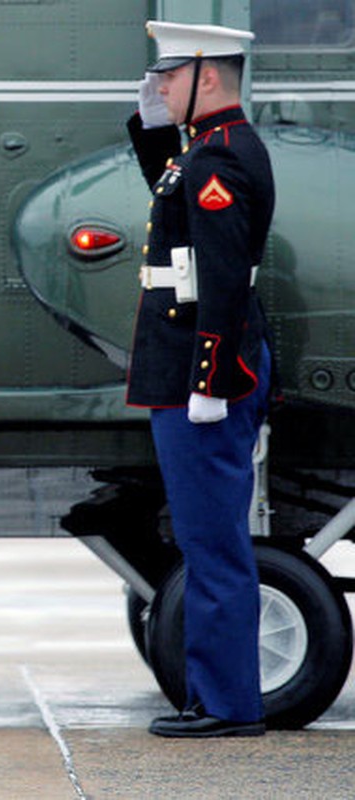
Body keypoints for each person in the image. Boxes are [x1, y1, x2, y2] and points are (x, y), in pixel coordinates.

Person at [127, 21, 274, 738]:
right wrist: (147, 124)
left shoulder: (221, 159)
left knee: (212, 541)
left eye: (167, 77)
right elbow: (169, 194)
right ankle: (214, 696)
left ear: (204, 76)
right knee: (203, 536)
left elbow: (220, 278)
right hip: (188, 365)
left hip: (203, 367)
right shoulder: (205, 152)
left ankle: (224, 705)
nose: (157, 87)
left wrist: (212, 380)